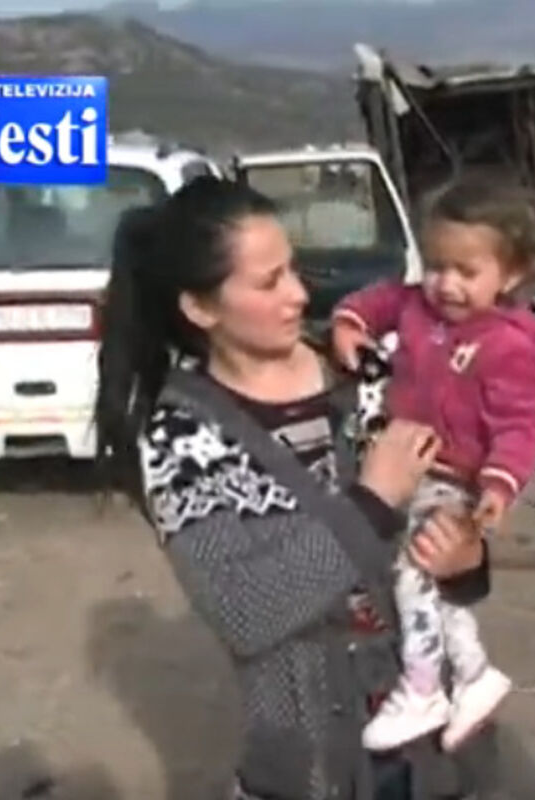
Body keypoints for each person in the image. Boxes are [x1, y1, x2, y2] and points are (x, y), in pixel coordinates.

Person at [93, 175, 492, 800]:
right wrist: (370, 502)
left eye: (294, 270)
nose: (299, 295)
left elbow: (441, 522)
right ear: (200, 308)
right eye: (268, 282)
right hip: (308, 762)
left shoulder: (363, 374)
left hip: (434, 744)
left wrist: (467, 561)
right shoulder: (183, 438)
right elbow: (245, 612)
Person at [332, 174, 535, 753]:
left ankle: (422, 688)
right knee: (433, 586)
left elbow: (519, 427)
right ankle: (472, 672)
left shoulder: (510, 346)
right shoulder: (414, 304)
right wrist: (347, 326)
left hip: (455, 478)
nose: (446, 284)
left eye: (467, 272)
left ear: (509, 275)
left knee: (416, 567)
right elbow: (370, 305)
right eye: (437, 266)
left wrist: (499, 485)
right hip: (407, 465)